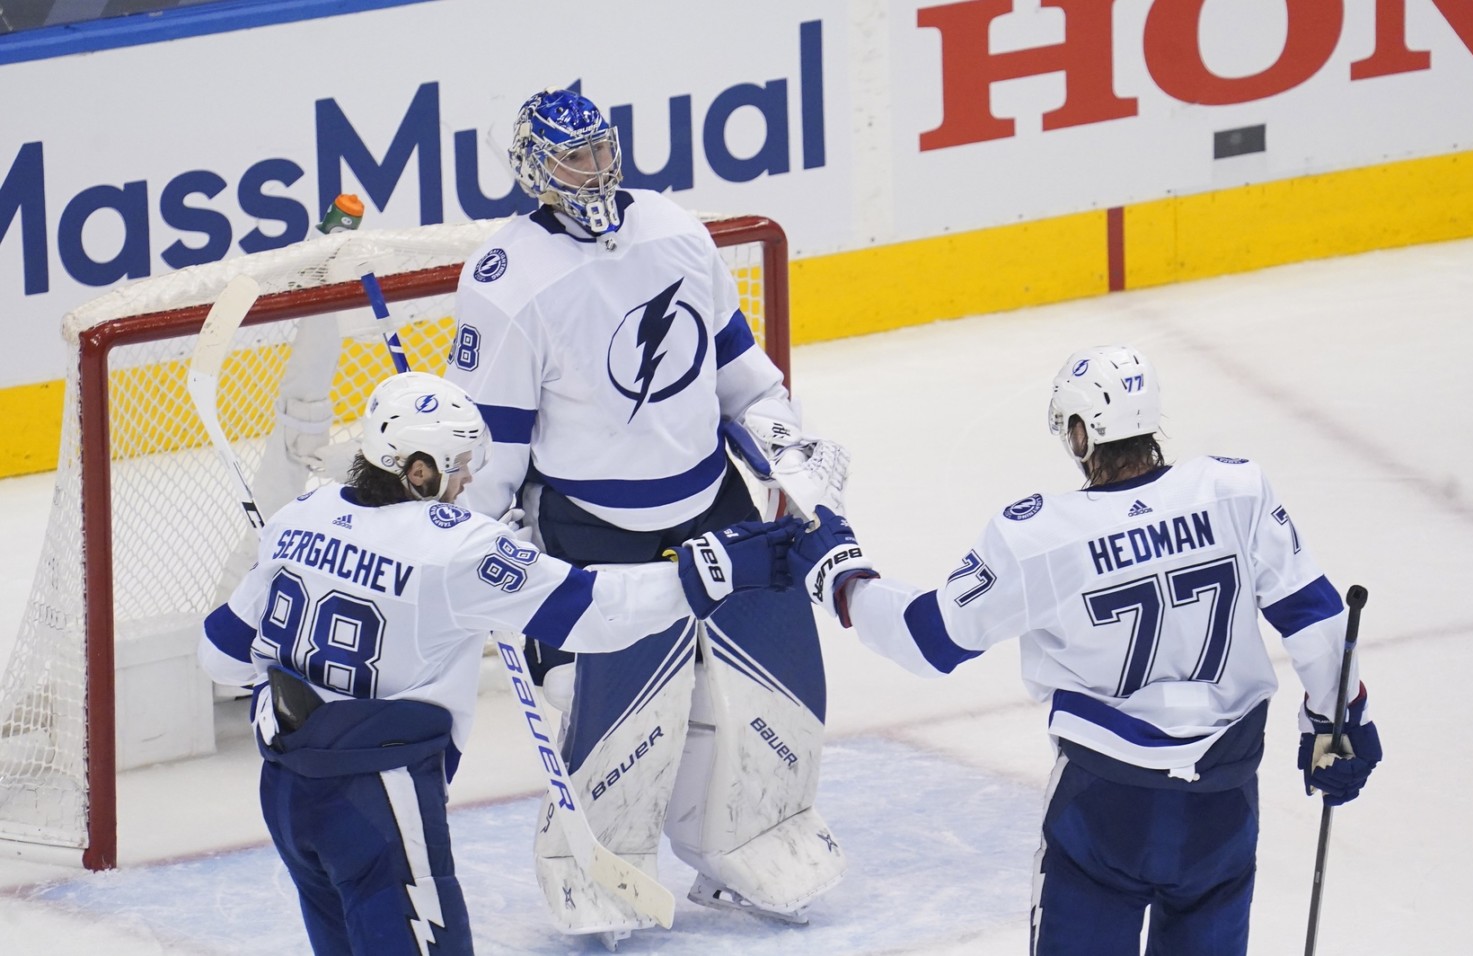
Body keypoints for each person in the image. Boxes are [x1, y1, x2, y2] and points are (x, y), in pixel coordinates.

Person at [785, 345, 1383, 955]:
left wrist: (843, 580)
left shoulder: (1039, 537)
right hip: (1222, 806)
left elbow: (927, 641)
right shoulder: (1236, 491)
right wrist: (1340, 724)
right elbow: (1316, 616)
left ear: (1080, 433)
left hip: (1105, 811)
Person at [197, 371, 796, 956]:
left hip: (285, 794)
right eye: (456, 466)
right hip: (378, 804)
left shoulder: (300, 514)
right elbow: (599, 613)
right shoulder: (457, 547)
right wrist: (717, 571)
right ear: (418, 469)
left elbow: (220, 657)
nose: (465, 481)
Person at [442, 86, 849, 941]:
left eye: (598, 150)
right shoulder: (507, 280)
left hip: (714, 498)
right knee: (631, 712)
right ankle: (600, 863)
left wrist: (788, 448)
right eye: (569, 157)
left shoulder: (676, 231)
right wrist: (479, 544)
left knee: (775, 676)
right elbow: (495, 442)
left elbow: (740, 374)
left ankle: (749, 835)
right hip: (592, 525)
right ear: (532, 169)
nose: (591, 170)